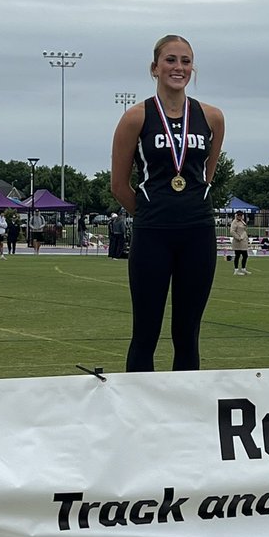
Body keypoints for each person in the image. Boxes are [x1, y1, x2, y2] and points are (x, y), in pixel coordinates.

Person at [111, 33, 224, 372]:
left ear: (193, 68)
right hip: (153, 234)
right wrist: (149, 214)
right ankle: (136, 415)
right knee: (145, 332)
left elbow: (207, 175)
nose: (179, 67)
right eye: (171, 60)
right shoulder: (136, 117)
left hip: (198, 233)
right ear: (155, 68)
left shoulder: (212, 117)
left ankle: (183, 415)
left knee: (187, 334)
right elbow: (119, 185)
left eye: (185, 61)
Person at [230, 212, 251, 276]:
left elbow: (244, 230)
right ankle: (236, 270)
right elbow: (232, 231)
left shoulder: (242, 221)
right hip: (238, 242)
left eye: (241, 215)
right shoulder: (234, 222)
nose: (240, 217)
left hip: (243, 241)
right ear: (236, 216)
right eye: (239, 215)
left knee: (245, 255)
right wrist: (238, 238)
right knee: (237, 255)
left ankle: (243, 268)